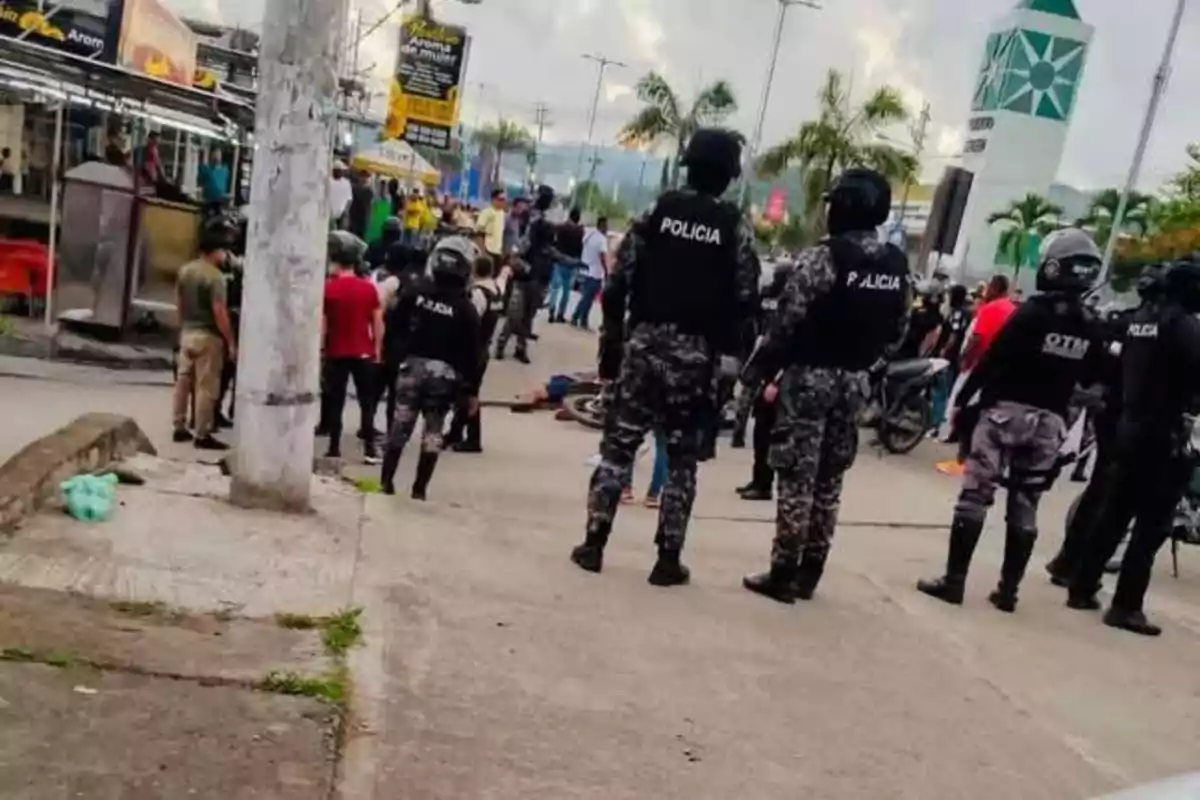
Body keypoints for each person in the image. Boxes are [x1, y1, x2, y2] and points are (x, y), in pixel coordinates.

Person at [569, 128, 760, 586]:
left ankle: (594, 544)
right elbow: (746, 300)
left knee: (617, 450)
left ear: (689, 165)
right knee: (681, 461)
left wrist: (612, 346)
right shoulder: (735, 226)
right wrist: (730, 367)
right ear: (729, 176)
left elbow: (618, 284)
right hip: (697, 357)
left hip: (644, 346)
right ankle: (667, 559)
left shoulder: (659, 212)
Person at [741, 168, 911, 604]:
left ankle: (783, 572)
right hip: (855, 380)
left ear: (847, 206)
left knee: (797, 475)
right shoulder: (895, 263)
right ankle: (811, 573)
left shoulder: (825, 256)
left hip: (811, 376)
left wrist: (761, 369)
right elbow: (898, 330)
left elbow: (788, 320)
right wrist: (867, 365)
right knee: (830, 480)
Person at [917, 229, 1105, 613]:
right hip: (1050, 424)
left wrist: (964, 404)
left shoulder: (1032, 312)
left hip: (1005, 413)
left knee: (975, 497)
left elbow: (993, 360)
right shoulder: (1091, 323)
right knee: (1025, 505)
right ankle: (1007, 592)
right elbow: (1093, 378)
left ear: (1054, 267)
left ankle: (954, 582)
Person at [1067, 260, 1200, 636]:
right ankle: (1126, 606)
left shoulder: (1143, 318)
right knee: (1151, 525)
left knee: (1114, 513)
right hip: (1162, 434)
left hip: (1130, 424)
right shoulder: (1183, 325)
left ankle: (1082, 585)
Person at [380, 237, 482, 499]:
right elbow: (475, 354)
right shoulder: (466, 309)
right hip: (444, 379)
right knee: (433, 432)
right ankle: (419, 490)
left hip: (411, 369)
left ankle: (386, 482)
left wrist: (395, 358)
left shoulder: (415, 293)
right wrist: (471, 390)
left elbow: (394, 325)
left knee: (400, 424)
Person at [172, 215, 239, 450]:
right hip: (208, 337)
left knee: (183, 382)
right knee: (206, 387)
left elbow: (179, 302)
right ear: (215, 251)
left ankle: (179, 427)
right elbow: (219, 311)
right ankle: (202, 433)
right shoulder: (216, 277)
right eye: (223, 250)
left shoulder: (185, 270)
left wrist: (180, 327)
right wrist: (230, 341)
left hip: (187, 333)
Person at [321, 231, 384, 463]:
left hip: (336, 352)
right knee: (366, 402)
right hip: (363, 351)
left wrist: (321, 351)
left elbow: (323, 324)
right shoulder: (368, 289)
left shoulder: (329, 289)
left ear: (337, 263)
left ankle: (334, 448)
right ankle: (369, 448)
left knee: (336, 402)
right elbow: (377, 322)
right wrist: (377, 349)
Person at [735, 260, 795, 501]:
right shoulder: (773, 302)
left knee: (769, 434)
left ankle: (764, 483)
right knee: (761, 431)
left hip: (776, 380)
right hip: (763, 373)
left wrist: (776, 381)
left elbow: (789, 350)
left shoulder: (791, 311)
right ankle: (759, 480)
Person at [495, 185, 575, 364]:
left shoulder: (538, 219)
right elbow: (524, 242)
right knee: (516, 314)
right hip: (525, 272)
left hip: (535, 273)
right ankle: (502, 345)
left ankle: (519, 348)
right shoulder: (531, 218)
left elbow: (546, 248)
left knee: (527, 316)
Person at [444, 254, 506, 453]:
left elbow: (471, 321)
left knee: (467, 393)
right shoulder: (496, 290)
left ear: (475, 270)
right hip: (483, 347)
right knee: (466, 392)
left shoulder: (479, 294)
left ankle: (472, 439)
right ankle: (455, 432)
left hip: (473, 348)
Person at [929, 284, 973, 438]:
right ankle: (936, 424)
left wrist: (944, 350)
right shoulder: (966, 313)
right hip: (954, 358)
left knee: (940, 392)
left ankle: (935, 426)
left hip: (948, 357)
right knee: (943, 391)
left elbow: (953, 335)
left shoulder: (957, 314)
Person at [546, 207, 585, 323]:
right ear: (578, 218)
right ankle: (560, 314)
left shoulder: (561, 227)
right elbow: (580, 248)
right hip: (572, 263)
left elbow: (552, 237)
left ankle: (551, 310)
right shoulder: (580, 231)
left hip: (559, 260)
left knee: (555, 288)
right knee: (566, 290)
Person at [570, 217, 610, 330]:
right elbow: (602, 256)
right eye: (606, 225)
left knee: (586, 296)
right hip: (595, 272)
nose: (607, 228)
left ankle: (581, 319)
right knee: (588, 298)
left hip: (585, 269)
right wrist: (606, 271)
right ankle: (578, 317)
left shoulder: (590, 235)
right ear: (602, 225)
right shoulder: (601, 239)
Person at [896, 281, 944, 360]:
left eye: (924, 296)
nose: (922, 298)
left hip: (909, 356)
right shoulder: (938, 318)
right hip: (920, 357)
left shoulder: (922, 316)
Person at [474, 189, 507, 264]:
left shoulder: (502, 214)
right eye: (500, 199)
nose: (503, 202)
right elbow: (478, 234)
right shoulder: (487, 212)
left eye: (504, 200)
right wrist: (483, 252)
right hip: (488, 250)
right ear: (493, 200)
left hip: (498, 252)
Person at [347, 170, 374, 241]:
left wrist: (369, 219)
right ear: (359, 177)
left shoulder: (369, 191)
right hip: (354, 218)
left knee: (361, 238)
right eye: (363, 177)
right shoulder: (354, 189)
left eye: (366, 177)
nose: (364, 179)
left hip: (363, 219)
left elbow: (370, 206)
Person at [329, 162, 352, 229]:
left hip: (341, 213)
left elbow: (349, 199)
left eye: (341, 171)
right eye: (337, 171)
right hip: (329, 213)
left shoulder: (346, 183)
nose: (339, 173)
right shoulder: (329, 181)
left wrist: (346, 211)